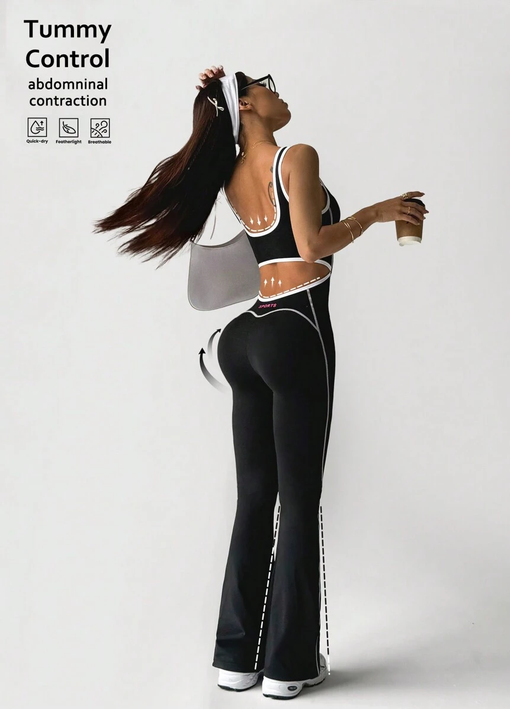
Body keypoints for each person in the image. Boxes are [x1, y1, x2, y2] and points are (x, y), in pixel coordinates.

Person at [94, 65, 428, 701]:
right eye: (265, 84)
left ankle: (234, 660)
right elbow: (311, 244)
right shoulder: (297, 156)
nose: (279, 90)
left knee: (254, 499)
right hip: (297, 329)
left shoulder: (230, 176)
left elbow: (266, 248)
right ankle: (288, 666)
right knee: (299, 502)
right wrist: (377, 212)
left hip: (248, 339)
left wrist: (214, 94)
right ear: (246, 104)